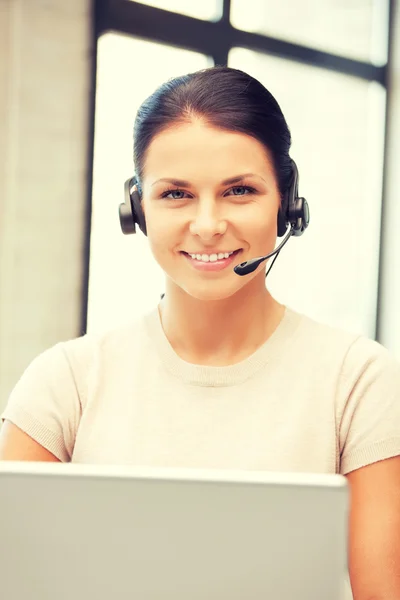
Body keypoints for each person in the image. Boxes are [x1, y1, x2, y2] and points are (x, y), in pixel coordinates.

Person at [1, 65, 400, 599]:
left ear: (287, 201)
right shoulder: (66, 382)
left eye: (239, 190)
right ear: (135, 209)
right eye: (175, 194)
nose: (208, 224)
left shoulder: (359, 381)